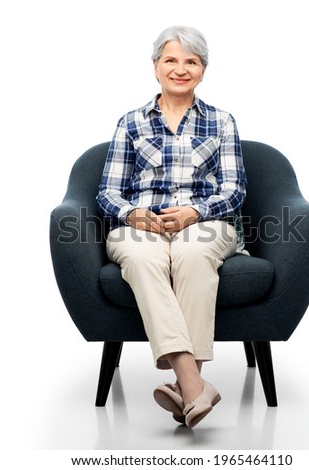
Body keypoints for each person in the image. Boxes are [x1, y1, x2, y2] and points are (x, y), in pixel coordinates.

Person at [96, 25, 247, 428]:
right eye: (171, 60)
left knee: (192, 253)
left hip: (206, 222)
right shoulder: (130, 122)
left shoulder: (222, 122)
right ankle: (194, 384)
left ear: (203, 70)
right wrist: (132, 215)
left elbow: (235, 190)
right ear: (156, 67)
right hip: (141, 223)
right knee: (143, 257)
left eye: (191, 62)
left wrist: (195, 212)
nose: (180, 69)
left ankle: (187, 387)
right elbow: (108, 192)